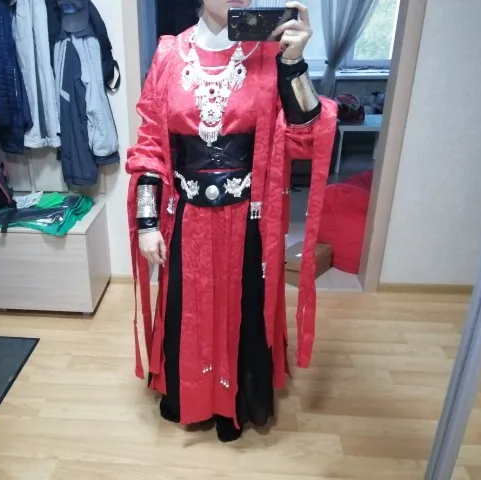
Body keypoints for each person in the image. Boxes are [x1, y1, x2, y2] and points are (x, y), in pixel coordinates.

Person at [126, 0, 337, 442]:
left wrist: (294, 64)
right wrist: (147, 222)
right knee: (186, 307)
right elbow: (149, 146)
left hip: (248, 218)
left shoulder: (270, 54)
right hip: (187, 218)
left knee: (245, 306)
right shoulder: (168, 54)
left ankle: (235, 404)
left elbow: (305, 136)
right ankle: (190, 396)